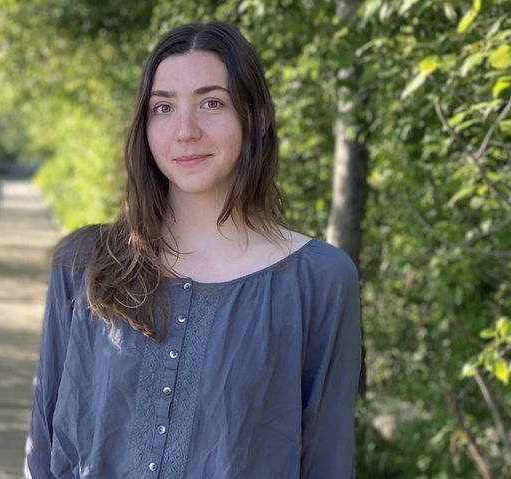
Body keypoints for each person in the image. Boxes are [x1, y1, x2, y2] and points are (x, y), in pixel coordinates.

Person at [24, 21, 362, 479]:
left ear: (258, 118)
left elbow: (327, 459)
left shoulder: (319, 279)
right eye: (163, 108)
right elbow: (44, 448)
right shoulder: (84, 264)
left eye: (211, 103)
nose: (185, 131)